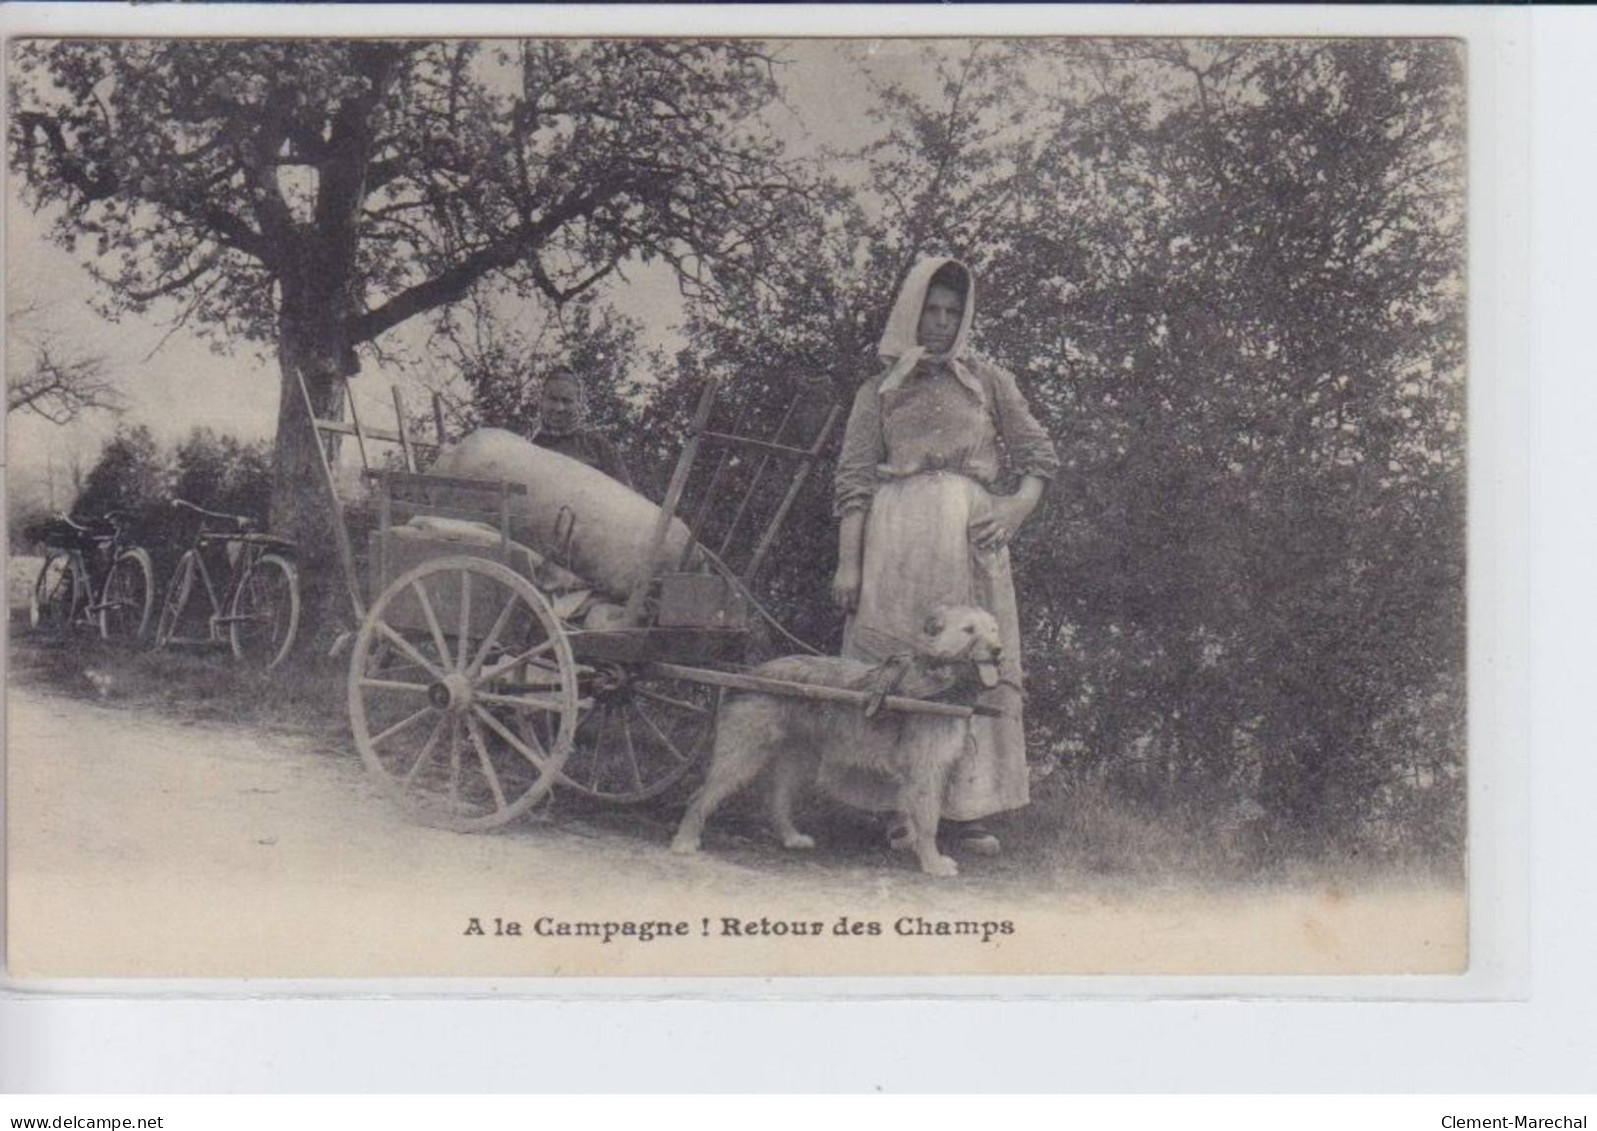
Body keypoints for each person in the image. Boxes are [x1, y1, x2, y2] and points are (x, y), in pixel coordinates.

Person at [829, 256, 1060, 856]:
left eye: (952, 311)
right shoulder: (878, 389)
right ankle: (893, 810)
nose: (940, 322)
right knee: (898, 661)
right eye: (930, 309)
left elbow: (1038, 455)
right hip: (895, 541)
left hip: (967, 538)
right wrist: (848, 564)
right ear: (911, 311)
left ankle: (963, 810)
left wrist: (1015, 507)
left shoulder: (987, 380)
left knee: (969, 661)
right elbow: (854, 482)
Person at [527, 369, 633, 489]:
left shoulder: (596, 445)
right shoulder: (530, 448)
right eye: (553, 399)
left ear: (578, 404)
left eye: (566, 401)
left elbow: (625, 496)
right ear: (542, 400)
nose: (559, 408)